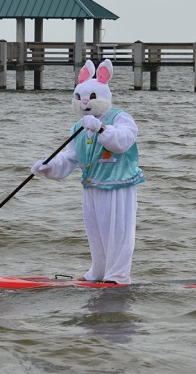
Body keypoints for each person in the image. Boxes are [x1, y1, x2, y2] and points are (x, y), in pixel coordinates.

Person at [31, 59, 144, 284]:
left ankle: (118, 277)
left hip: (118, 184)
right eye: (80, 98)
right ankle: (98, 273)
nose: (84, 103)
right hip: (91, 186)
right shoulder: (78, 127)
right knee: (96, 233)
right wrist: (49, 166)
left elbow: (123, 141)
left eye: (91, 98)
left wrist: (101, 128)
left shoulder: (120, 118)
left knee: (118, 232)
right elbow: (70, 157)